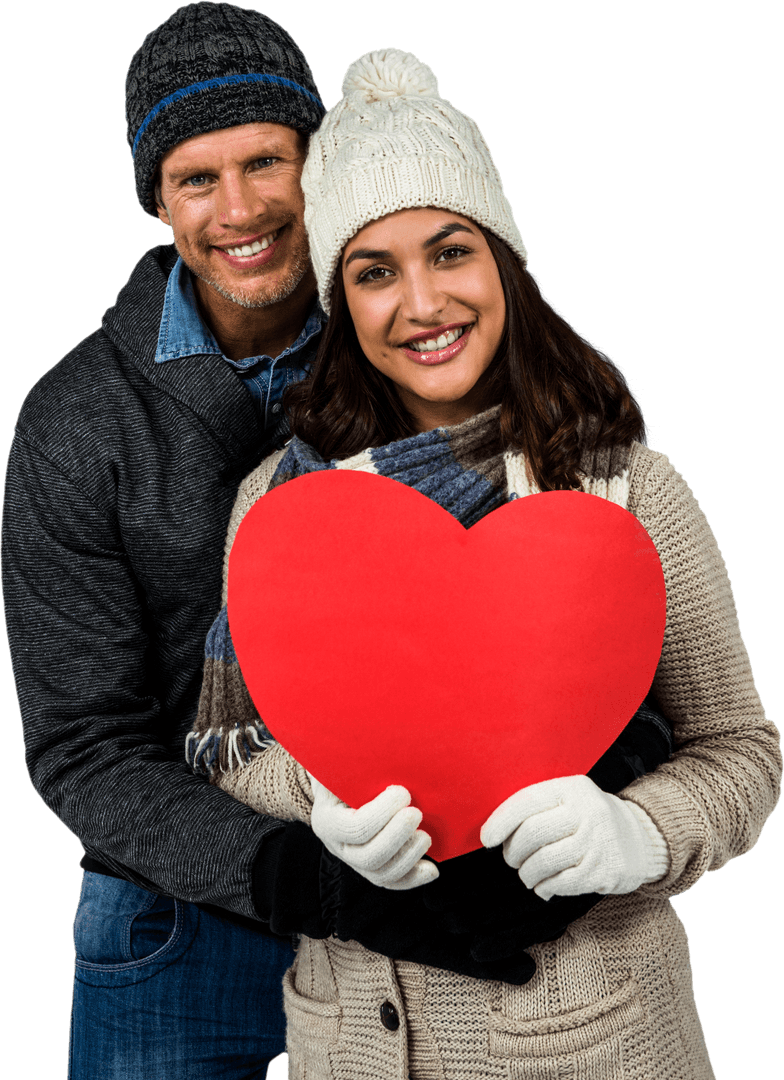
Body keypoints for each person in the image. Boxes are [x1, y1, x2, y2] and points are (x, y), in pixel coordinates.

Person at [191, 49, 782, 1079]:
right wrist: (315, 801)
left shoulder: (627, 489)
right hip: (346, 1042)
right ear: (340, 302)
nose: (421, 302)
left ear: (505, 260)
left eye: (449, 252)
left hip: (589, 1041)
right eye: (374, 272)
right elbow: (237, 748)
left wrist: (636, 830)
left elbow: (740, 751)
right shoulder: (278, 503)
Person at [3, 3, 334, 1076]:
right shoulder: (74, 421)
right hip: (174, 908)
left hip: (415, 880)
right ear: (157, 197)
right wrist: (280, 871)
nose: (239, 210)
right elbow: (81, 745)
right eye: (198, 178)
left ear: (315, 164)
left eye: (265, 163)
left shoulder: (416, 340)